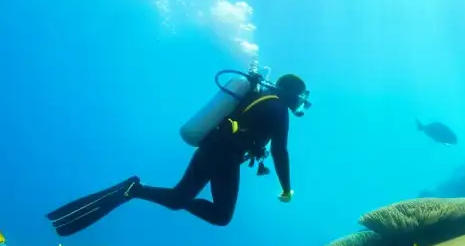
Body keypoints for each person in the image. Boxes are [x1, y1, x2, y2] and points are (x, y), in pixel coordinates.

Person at [47, 74, 309, 237]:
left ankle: (134, 189)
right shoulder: (278, 108)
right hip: (225, 156)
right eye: (300, 96)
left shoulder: (260, 98)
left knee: (177, 199)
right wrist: (286, 189)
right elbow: (279, 151)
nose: (301, 101)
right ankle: (134, 189)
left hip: (212, 147)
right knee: (220, 216)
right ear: (290, 92)